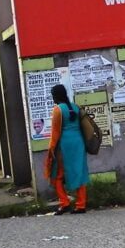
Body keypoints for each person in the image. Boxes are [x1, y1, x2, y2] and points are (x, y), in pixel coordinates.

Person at [44, 84, 90, 214]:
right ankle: (81, 205)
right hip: (79, 143)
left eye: (53, 95)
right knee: (79, 173)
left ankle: (64, 203)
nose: (52, 98)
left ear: (56, 96)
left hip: (64, 145)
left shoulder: (58, 109)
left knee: (57, 175)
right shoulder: (76, 107)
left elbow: (55, 132)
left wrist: (51, 150)